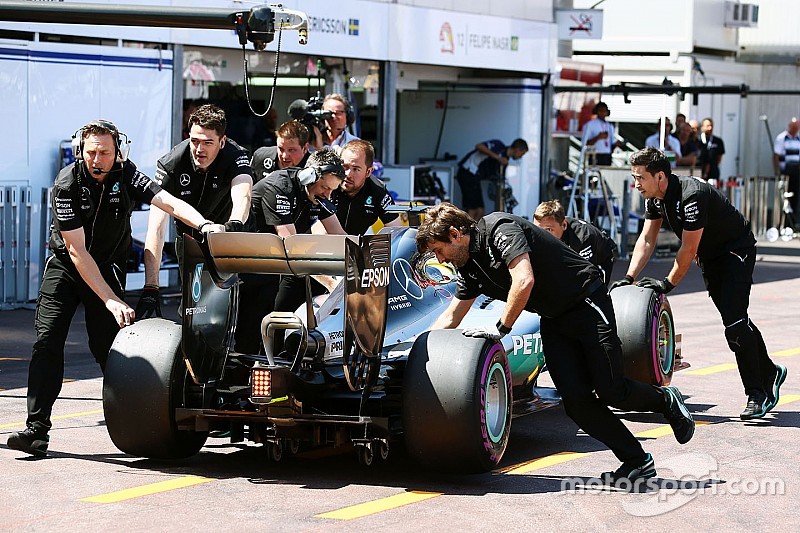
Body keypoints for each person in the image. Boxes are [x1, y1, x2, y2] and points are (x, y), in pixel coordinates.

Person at [416, 203, 694, 483]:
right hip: (553, 317)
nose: (442, 260)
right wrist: (420, 352)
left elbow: (524, 280)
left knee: (611, 390)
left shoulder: (499, 228)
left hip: (586, 302)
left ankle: (666, 399)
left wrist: (501, 329)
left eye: (439, 251)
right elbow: (452, 316)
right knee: (577, 404)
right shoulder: (469, 267)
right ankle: (637, 461)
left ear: (455, 234)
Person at [6, 120, 224, 457]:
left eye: (104, 152)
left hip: (107, 267)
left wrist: (205, 224)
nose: (97, 159)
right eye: (91, 152)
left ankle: (146, 420)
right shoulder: (66, 185)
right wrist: (110, 300)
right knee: (47, 342)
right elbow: (77, 252)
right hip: (66, 268)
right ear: (81, 150)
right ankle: (37, 430)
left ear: (117, 151)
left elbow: (166, 201)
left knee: (110, 350)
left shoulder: (127, 173)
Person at [615, 147, 787, 420]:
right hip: (710, 256)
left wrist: (667, 283)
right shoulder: (655, 198)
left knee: (734, 324)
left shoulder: (691, 195)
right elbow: (647, 239)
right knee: (737, 321)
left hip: (735, 251)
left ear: (660, 176)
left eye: (640, 178)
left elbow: (686, 249)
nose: (636, 184)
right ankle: (771, 371)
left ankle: (758, 392)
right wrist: (628, 277)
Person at [137, 104, 253, 318]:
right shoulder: (171, 164)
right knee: (193, 305)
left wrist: (235, 223)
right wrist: (151, 285)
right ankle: (189, 347)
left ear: (222, 141)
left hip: (227, 230)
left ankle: (224, 346)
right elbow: (156, 227)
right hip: (189, 234)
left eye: (208, 143)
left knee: (226, 303)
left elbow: (243, 192)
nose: (200, 149)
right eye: (195, 141)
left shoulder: (235, 155)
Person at [236, 149, 347, 353]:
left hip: (276, 263)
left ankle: (279, 360)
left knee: (280, 316)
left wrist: (365, 264)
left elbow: (340, 236)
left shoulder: (319, 195)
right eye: (325, 187)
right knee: (252, 327)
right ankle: (243, 371)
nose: (327, 194)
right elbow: (293, 247)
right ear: (309, 176)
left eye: (332, 190)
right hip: (249, 264)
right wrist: (331, 282)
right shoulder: (278, 187)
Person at [324, 139, 402, 235]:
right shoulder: (328, 182)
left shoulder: (378, 191)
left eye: (356, 169)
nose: (348, 174)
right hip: (320, 242)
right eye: (345, 167)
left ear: (368, 172)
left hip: (354, 246)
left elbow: (397, 230)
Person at [533, 199, 616, 285]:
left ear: (564, 225)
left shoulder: (582, 238)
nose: (542, 234)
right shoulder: (536, 234)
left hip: (599, 260)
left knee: (591, 289)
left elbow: (581, 273)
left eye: (549, 229)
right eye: (538, 229)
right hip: (568, 253)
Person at [455, 138, 528, 220]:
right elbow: (479, 146)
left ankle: (472, 231)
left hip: (475, 178)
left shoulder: (505, 160)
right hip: (468, 172)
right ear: (517, 150)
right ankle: (466, 231)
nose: (521, 157)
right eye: (522, 154)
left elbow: (498, 178)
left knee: (480, 210)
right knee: (473, 209)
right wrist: (498, 158)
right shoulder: (498, 146)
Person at [250, 120, 311, 184]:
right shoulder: (261, 157)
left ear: (305, 148)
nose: (285, 156)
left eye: (291, 150)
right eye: (281, 149)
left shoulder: (313, 168)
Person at [772, 117, 800, 222]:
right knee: (784, 198)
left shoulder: (798, 139)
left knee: (794, 198)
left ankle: (792, 223)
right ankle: (782, 222)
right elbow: (776, 156)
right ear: (790, 127)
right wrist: (777, 172)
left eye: (797, 128)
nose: (796, 130)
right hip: (785, 172)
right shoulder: (782, 138)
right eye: (794, 127)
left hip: (796, 172)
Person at [581, 102, 624, 166]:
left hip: (607, 155)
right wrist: (598, 137)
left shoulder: (610, 126)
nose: (602, 113)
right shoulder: (590, 125)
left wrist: (618, 143)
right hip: (595, 155)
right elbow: (585, 143)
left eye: (604, 111)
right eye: (600, 111)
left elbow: (612, 142)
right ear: (596, 112)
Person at [697, 118, 725, 185]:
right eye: (707, 126)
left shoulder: (718, 141)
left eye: (711, 125)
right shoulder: (698, 140)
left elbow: (719, 158)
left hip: (713, 173)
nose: (710, 128)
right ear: (702, 127)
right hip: (699, 172)